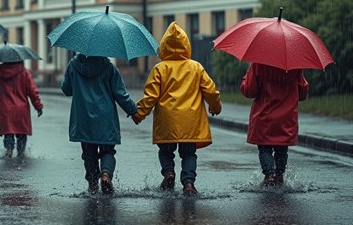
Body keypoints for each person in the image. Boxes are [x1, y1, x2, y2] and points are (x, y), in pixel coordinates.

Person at [132, 22, 222, 197]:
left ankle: (168, 173)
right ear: (186, 45)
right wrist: (215, 106)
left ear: (164, 47)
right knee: (188, 154)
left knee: (165, 151)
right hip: (190, 121)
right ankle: (188, 183)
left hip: (167, 121)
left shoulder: (159, 68)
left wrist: (139, 113)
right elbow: (210, 90)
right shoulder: (196, 67)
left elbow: (150, 96)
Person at [61, 53, 137, 195]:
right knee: (107, 151)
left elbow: (66, 90)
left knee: (89, 154)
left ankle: (92, 184)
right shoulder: (109, 68)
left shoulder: (73, 65)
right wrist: (134, 111)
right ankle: (106, 174)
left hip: (83, 119)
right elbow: (121, 94)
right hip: (106, 118)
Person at [240, 62, 309, 186]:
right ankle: (279, 175)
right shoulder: (294, 65)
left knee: (264, 148)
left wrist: (245, 81)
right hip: (286, 117)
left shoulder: (258, 63)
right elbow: (303, 93)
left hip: (264, 115)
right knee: (282, 149)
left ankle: (269, 175)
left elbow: (249, 90)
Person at [0, 61, 44, 158]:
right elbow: (32, 91)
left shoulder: (0, 73)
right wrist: (38, 106)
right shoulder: (24, 72)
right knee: (21, 133)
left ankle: (9, 150)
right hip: (21, 110)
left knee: (8, 132)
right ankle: (21, 153)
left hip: (6, 109)